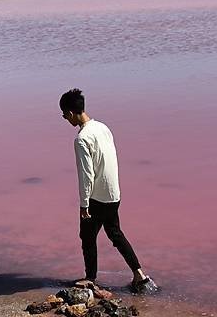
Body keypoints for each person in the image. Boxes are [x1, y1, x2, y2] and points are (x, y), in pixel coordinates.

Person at [59, 88, 156, 293]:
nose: (65, 119)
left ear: (70, 113)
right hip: (113, 193)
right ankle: (139, 274)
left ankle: (90, 278)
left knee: (87, 236)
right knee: (115, 233)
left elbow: (86, 175)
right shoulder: (103, 127)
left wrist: (84, 204)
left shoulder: (82, 139)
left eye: (64, 115)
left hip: (97, 197)